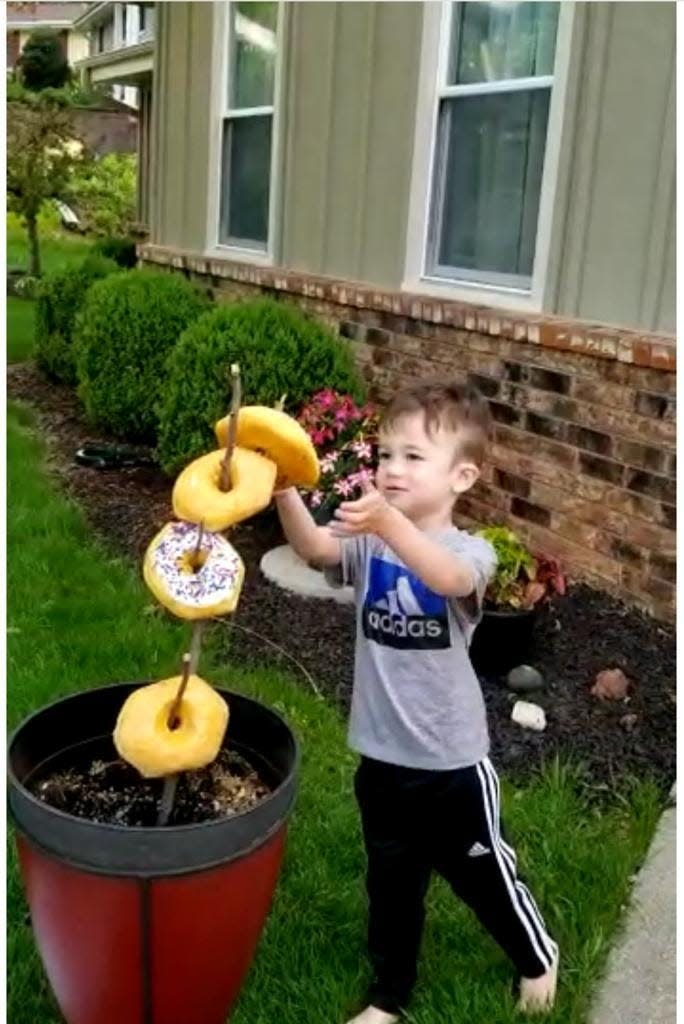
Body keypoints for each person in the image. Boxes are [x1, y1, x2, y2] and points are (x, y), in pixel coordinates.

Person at [274, 379, 558, 1022]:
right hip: (381, 755)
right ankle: (390, 996)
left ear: (462, 476)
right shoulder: (372, 542)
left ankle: (537, 955)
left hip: (451, 765)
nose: (391, 468)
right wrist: (285, 491)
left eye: (412, 457)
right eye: (385, 454)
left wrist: (388, 522)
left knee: (483, 878)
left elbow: (447, 579)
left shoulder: (470, 552)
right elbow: (316, 548)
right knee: (392, 886)